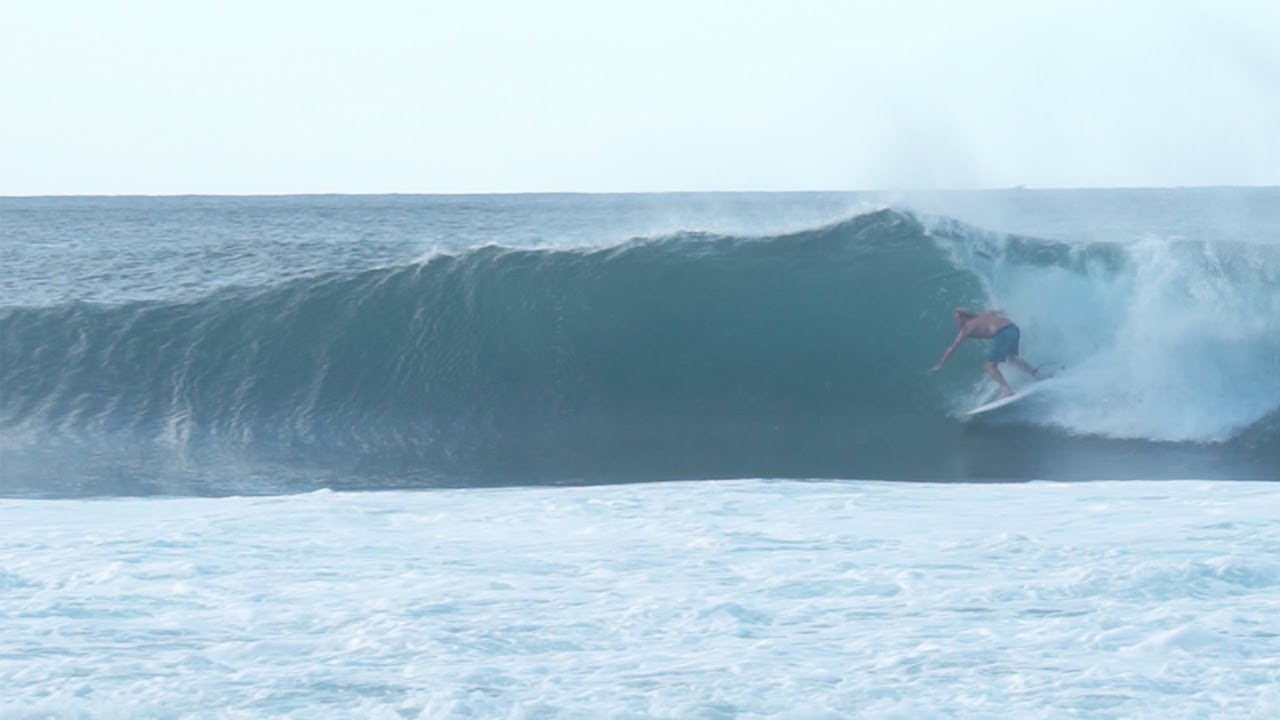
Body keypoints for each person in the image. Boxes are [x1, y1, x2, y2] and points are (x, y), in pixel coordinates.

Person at [930, 308, 1039, 399]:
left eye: (957, 318)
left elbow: (953, 348)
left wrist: (941, 364)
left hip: (1003, 334)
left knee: (990, 366)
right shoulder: (983, 314)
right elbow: (999, 311)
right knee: (1012, 359)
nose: (956, 321)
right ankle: (1035, 374)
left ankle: (1006, 390)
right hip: (1013, 328)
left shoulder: (966, 328)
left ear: (964, 317)